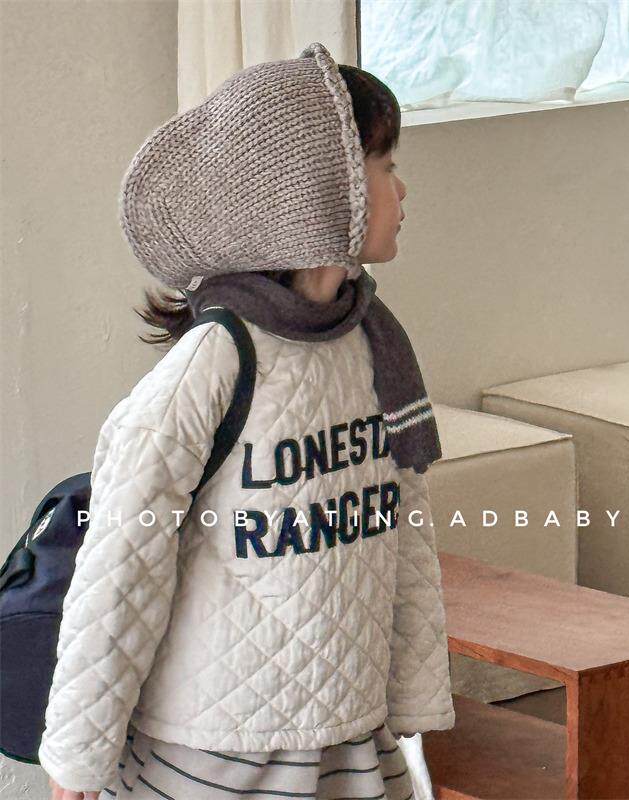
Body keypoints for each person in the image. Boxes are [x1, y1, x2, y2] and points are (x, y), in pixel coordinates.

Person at [40, 42, 454, 800]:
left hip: (349, 737)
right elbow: (121, 569)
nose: (402, 189)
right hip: (216, 755)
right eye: (384, 165)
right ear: (321, 190)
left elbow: (403, 530)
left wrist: (412, 696)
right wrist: (78, 758)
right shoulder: (214, 363)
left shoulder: (374, 344)